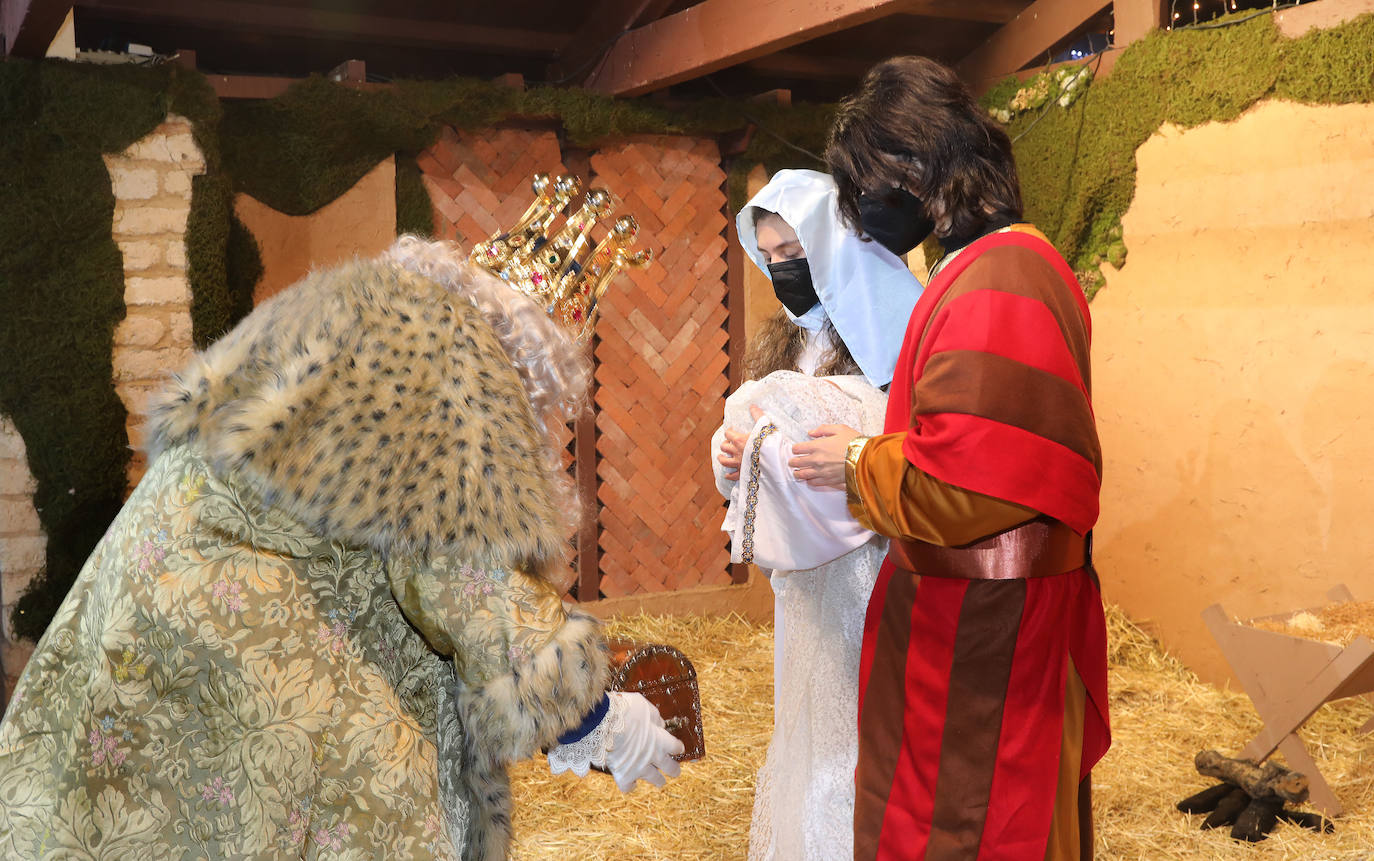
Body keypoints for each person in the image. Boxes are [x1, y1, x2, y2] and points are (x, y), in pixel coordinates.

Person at [0, 234, 683, 859]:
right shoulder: (454, 349)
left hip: (161, 585)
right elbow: (454, 561)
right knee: (362, 798)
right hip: (258, 638)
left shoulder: (352, 311)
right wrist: (591, 717)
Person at [788, 57, 1111, 860]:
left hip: (984, 639)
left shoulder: (1002, 276)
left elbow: (964, 482)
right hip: (983, 623)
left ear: (916, 160)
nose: (865, 215)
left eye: (868, 186)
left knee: (971, 828)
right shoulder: (1002, 262)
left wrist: (857, 463)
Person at [712, 169, 922, 861]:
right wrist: (739, 451)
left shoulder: (891, 329)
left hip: (875, 574)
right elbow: (777, 444)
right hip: (806, 589)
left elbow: (899, 443)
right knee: (809, 723)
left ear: (832, 243)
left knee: (865, 737)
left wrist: (783, 432)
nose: (780, 269)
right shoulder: (788, 344)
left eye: (792, 252)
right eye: (768, 256)